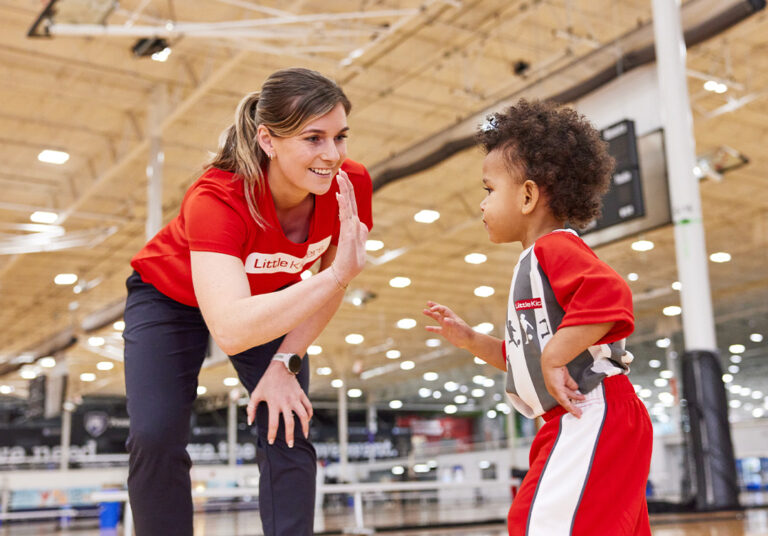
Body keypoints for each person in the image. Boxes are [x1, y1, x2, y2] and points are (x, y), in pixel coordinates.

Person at [123, 67, 372, 536]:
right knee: (155, 434)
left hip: (270, 295)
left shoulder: (350, 185)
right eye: (313, 138)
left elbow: (325, 292)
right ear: (268, 139)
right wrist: (338, 274)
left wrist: (285, 362)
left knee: (288, 420)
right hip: (169, 298)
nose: (332, 155)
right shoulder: (217, 196)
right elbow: (233, 329)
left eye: (340, 137)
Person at [423, 99, 652, 535]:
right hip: (587, 415)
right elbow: (526, 359)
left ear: (527, 195)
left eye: (489, 190)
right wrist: (472, 340)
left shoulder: (554, 248)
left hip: (592, 411)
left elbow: (611, 294)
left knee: (536, 524)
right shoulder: (536, 260)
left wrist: (553, 358)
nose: (482, 204)